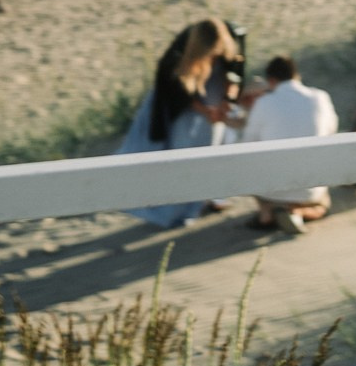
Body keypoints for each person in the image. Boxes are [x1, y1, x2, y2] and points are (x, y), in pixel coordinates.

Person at [113, 18, 244, 228]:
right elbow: (177, 93)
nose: (214, 57)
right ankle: (175, 207)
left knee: (210, 151)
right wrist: (206, 110)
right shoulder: (173, 63)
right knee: (183, 153)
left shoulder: (232, 40)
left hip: (211, 96)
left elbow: (236, 72)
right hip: (182, 106)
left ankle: (206, 198)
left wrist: (227, 100)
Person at [238, 55, 339, 234]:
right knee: (323, 201)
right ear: (296, 75)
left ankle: (266, 213)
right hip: (310, 184)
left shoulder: (263, 102)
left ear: (271, 80)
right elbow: (331, 131)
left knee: (258, 168)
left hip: (272, 188)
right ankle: (297, 211)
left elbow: (248, 144)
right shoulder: (320, 97)